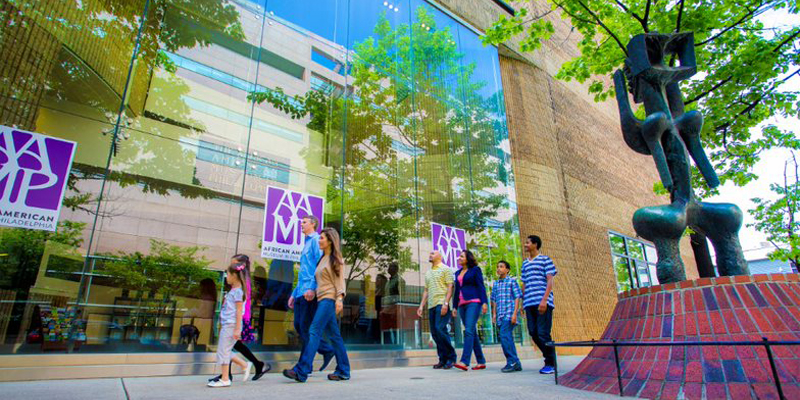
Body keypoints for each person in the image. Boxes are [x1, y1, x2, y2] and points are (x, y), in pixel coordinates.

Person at [283, 228, 351, 382]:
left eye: (321, 238)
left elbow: (340, 281)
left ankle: (302, 370)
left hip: (329, 299)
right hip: (321, 299)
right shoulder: (323, 259)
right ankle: (343, 370)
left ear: (329, 241)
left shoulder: (336, 259)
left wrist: (340, 299)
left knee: (313, 331)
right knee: (335, 336)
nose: (319, 240)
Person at [209, 255, 270, 383]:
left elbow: (241, 304)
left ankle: (231, 373)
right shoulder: (240, 282)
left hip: (240, 318)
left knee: (230, 346)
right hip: (237, 318)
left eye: (233, 264)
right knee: (233, 346)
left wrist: (240, 322)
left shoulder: (242, 282)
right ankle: (249, 367)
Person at [288, 215, 334, 372]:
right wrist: (294, 293)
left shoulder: (315, 241)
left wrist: (313, 288)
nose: (301, 224)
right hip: (301, 290)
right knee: (299, 326)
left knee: (306, 328)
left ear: (313, 224)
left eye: (304, 222)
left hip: (309, 291)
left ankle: (302, 367)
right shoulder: (306, 243)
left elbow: (318, 267)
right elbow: (303, 271)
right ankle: (326, 349)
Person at [207, 263, 250, 387]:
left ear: (235, 276)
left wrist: (237, 329)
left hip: (231, 325)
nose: (226, 277)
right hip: (228, 325)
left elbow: (238, 311)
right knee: (224, 351)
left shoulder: (238, 292)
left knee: (223, 351)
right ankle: (244, 365)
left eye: (228, 274)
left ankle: (225, 379)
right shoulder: (234, 291)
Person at [521, 235, 557, 374]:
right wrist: (522, 304)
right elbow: (524, 283)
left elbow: (550, 281)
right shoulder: (525, 263)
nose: (525, 245)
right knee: (533, 332)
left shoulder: (545, 260)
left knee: (543, 333)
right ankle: (550, 357)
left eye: (527, 242)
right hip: (529, 302)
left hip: (542, 302)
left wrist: (544, 300)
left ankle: (550, 363)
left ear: (535, 244)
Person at [416, 250, 456, 369]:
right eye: (430, 253)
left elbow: (450, 288)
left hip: (441, 303)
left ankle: (451, 357)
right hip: (431, 305)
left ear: (440, 256)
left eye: (433, 253)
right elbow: (426, 291)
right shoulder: (428, 273)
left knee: (440, 329)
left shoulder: (446, 269)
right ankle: (442, 359)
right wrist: (421, 306)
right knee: (434, 333)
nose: (430, 255)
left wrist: (445, 303)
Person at [451, 250, 488, 371]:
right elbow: (456, 291)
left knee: (468, 331)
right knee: (472, 332)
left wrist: (484, 302)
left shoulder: (475, 270)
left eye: (462, 256)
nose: (459, 258)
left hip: (474, 302)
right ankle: (481, 361)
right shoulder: (457, 273)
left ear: (468, 258)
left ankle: (465, 361)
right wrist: (454, 306)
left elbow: (480, 286)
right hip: (461, 304)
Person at [491, 260, 523, 372]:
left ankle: (512, 362)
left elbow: (517, 297)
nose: (499, 269)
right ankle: (515, 362)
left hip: (509, 313)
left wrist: (515, 314)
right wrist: (494, 314)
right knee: (507, 338)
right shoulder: (495, 284)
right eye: (497, 267)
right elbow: (494, 300)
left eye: (501, 266)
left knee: (505, 336)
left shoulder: (512, 282)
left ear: (507, 269)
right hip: (500, 314)